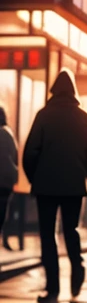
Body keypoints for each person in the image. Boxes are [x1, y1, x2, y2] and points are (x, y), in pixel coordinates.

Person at [23, 69, 87, 303]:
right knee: (71, 230)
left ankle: (52, 288)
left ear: (53, 90)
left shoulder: (44, 115)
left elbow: (30, 151)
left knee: (48, 235)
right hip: (75, 186)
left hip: (46, 186)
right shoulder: (84, 118)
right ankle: (78, 268)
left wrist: (35, 177)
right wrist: (80, 174)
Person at [0, 107, 18, 251]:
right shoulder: (8, 134)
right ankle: (4, 240)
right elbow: (15, 157)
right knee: (2, 213)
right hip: (6, 182)